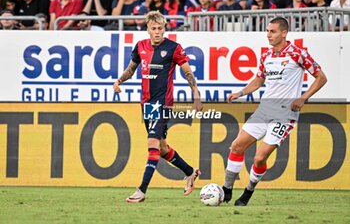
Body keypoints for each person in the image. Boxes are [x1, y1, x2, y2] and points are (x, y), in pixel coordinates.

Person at [222, 17, 327, 206]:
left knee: (260, 157)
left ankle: (247, 192)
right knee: (236, 146)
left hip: (284, 115)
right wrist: (241, 92)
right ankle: (226, 189)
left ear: (284, 33)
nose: (268, 35)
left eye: (272, 31)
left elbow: (321, 77)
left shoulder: (297, 54)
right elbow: (259, 80)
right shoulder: (266, 56)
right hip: (264, 110)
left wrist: (303, 97)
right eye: (267, 31)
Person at [113, 11, 203, 203]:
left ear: (164, 28)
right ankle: (190, 172)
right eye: (153, 28)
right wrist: (119, 80)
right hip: (147, 104)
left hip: (163, 103)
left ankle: (141, 190)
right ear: (147, 29)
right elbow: (131, 69)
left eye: (160, 28)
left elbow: (187, 71)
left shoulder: (174, 48)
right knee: (161, 148)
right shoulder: (140, 47)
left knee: (152, 144)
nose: (157, 32)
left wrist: (195, 93)